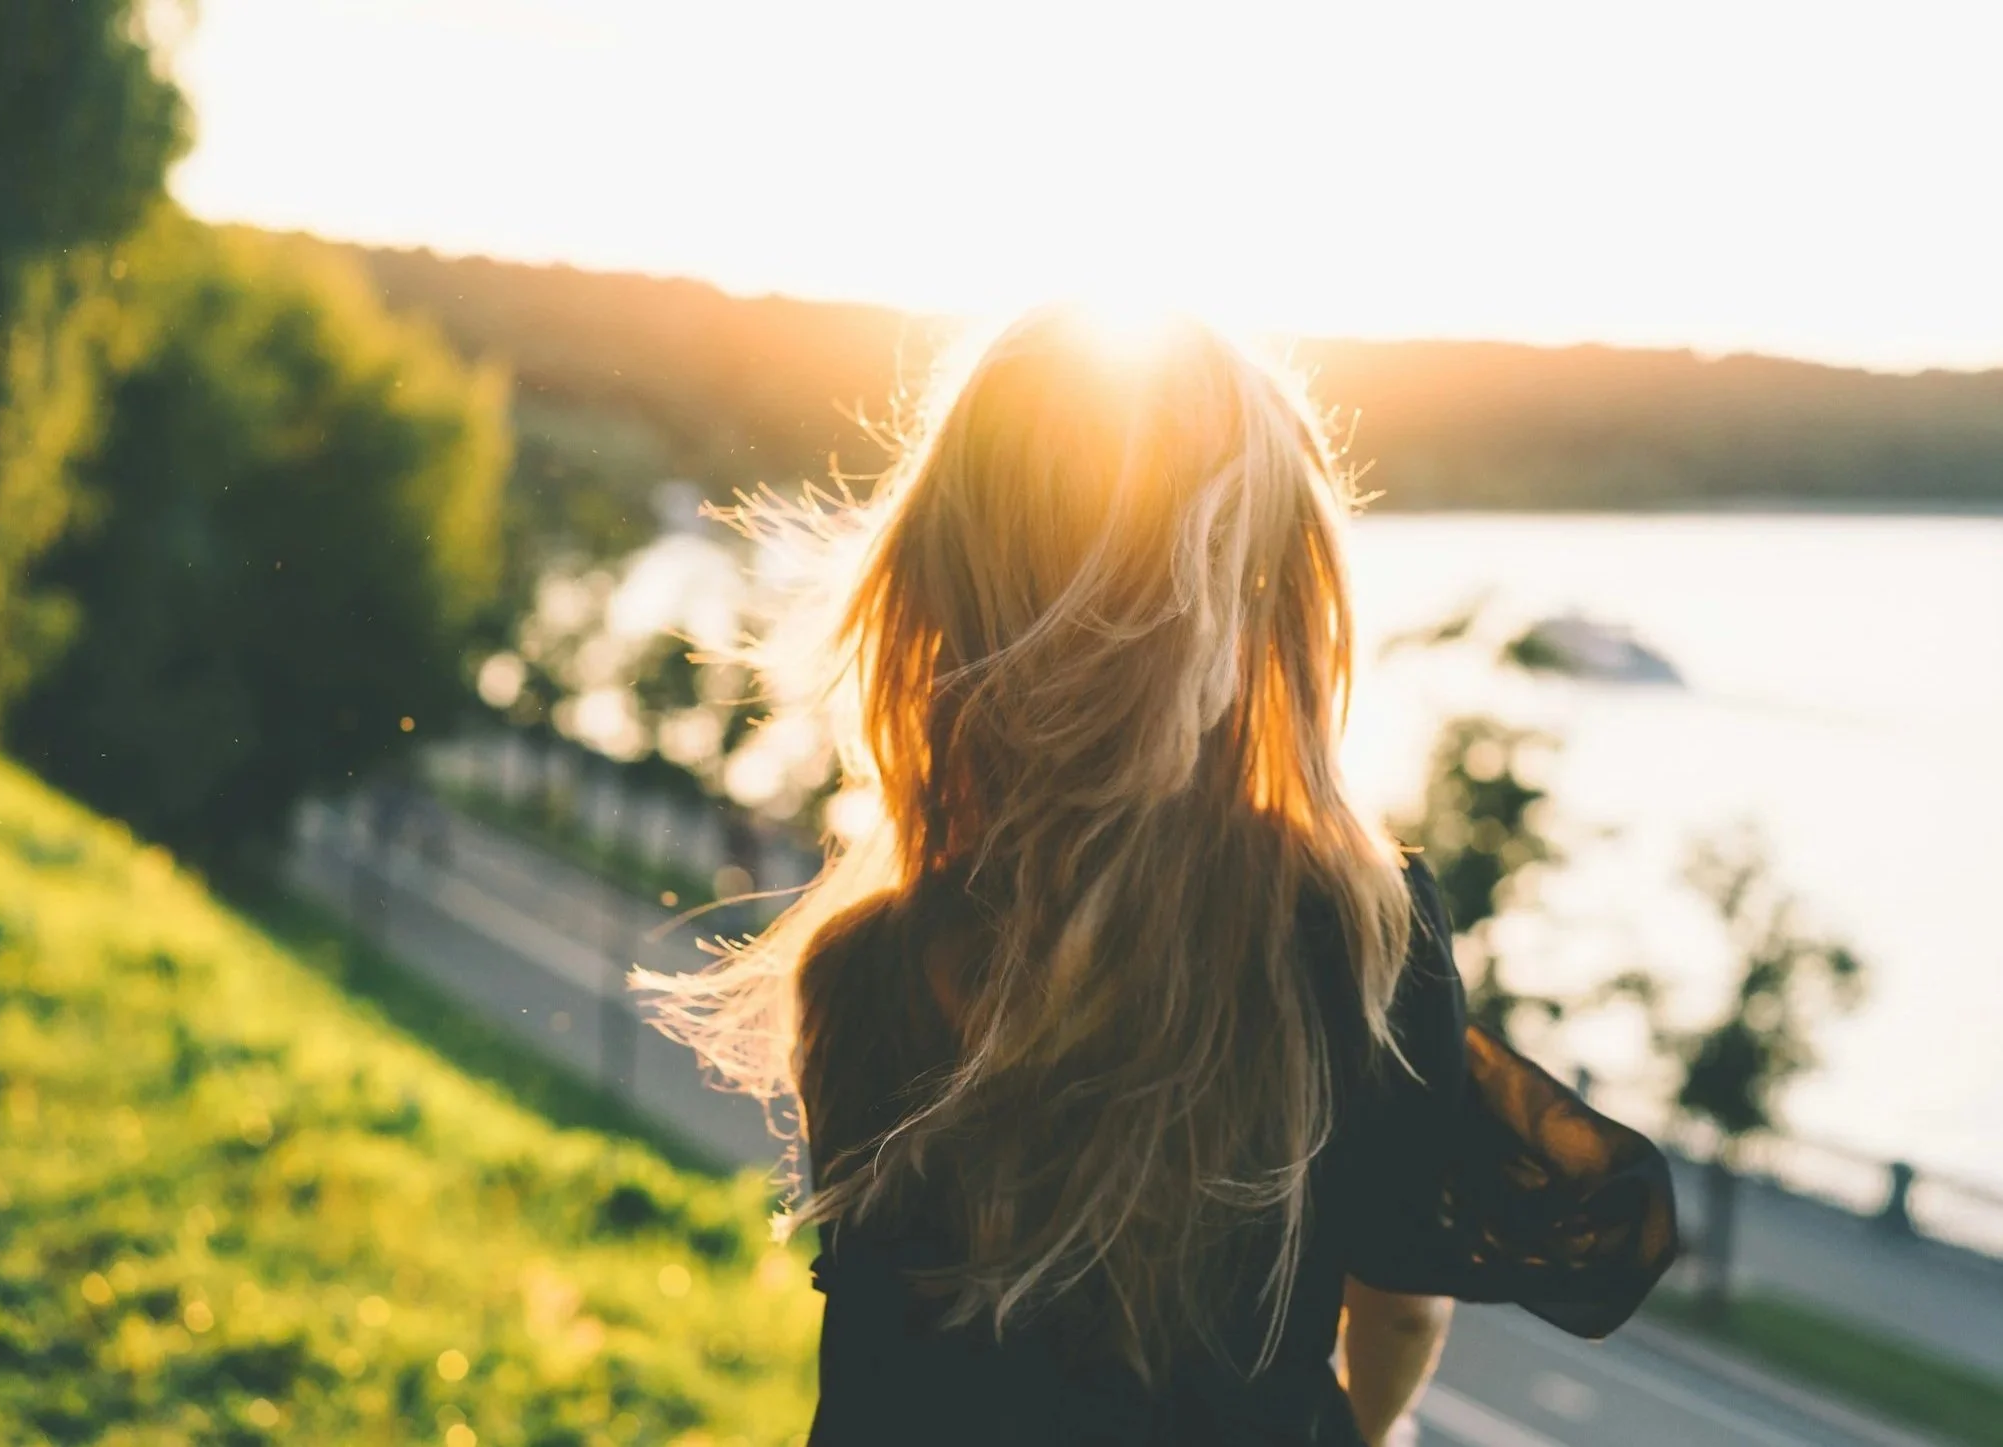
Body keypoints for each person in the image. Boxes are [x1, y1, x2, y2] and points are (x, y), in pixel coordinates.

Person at [638, 305, 1676, 1445]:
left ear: (939, 589)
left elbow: (888, 1361)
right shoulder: (1351, 939)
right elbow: (1398, 1305)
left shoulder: (857, 968)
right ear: (1258, 613)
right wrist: (1367, 1427)